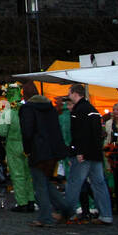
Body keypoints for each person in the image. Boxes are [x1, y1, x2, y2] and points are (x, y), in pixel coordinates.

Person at [19, 82, 70, 227]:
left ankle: (46, 217)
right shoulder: (51, 108)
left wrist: (27, 150)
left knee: (40, 185)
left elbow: (27, 132)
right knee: (45, 182)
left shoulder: (27, 109)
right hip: (53, 151)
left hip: (38, 150)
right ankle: (65, 208)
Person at [63, 84, 113, 226]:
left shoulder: (78, 111)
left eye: (69, 92)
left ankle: (68, 213)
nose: (68, 95)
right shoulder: (93, 110)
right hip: (95, 153)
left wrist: (79, 151)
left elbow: (79, 133)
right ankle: (106, 215)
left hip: (83, 154)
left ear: (74, 93)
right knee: (99, 184)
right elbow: (96, 133)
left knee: (74, 183)